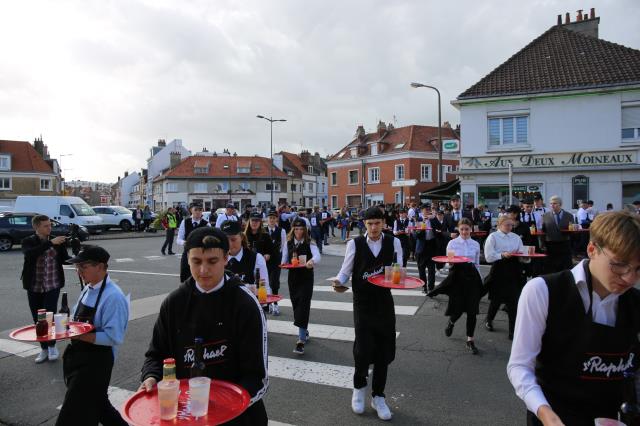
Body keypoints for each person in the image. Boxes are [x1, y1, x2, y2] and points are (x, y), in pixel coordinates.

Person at [507, 211, 640, 425]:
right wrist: (545, 413)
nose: (630, 278)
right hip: (554, 414)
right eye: (619, 265)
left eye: (638, 269)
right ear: (592, 249)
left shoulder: (635, 302)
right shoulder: (543, 291)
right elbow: (520, 366)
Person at [139, 227, 269, 425]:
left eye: (212, 261)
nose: (203, 270)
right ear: (188, 260)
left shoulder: (245, 304)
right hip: (187, 415)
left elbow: (257, 378)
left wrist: (224, 410)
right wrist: (150, 377)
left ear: (226, 259)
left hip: (238, 415)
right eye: (196, 261)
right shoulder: (174, 303)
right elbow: (156, 355)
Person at [332, 206, 403, 421]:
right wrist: (338, 282)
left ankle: (379, 395)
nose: (373, 227)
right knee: (362, 349)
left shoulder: (394, 242)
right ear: (364, 224)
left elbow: (398, 269)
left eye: (377, 223)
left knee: (384, 350)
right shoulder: (355, 243)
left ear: (383, 223)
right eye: (370, 223)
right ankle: (359, 386)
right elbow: (346, 270)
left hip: (384, 301)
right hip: (362, 303)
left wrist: (400, 278)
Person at [56, 245, 129, 426]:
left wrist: (78, 335)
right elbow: (75, 319)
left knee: (71, 414)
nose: (78, 271)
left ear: (100, 266)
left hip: (96, 363)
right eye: (77, 266)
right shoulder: (88, 288)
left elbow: (114, 338)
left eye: (83, 266)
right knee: (101, 407)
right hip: (78, 358)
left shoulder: (113, 296)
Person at [428, 218, 483, 355]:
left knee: (472, 310)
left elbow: (476, 264)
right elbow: (448, 263)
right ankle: (451, 322)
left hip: (471, 278)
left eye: (467, 229)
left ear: (471, 229)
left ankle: (470, 340)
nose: (464, 231)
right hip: (457, 277)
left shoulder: (476, 244)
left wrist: (480, 278)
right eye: (462, 229)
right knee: (457, 309)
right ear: (458, 229)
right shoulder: (452, 243)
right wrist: (450, 264)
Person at [21, 214, 70, 363]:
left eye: (50, 225)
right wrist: (50, 244)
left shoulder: (57, 241)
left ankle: (52, 346)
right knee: (38, 319)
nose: (49, 228)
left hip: (52, 285)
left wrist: (79, 255)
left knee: (50, 316)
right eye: (46, 226)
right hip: (34, 286)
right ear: (36, 227)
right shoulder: (28, 241)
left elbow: (64, 259)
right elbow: (30, 254)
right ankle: (43, 349)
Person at [281, 218, 321, 354]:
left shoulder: (310, 242)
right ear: (293, 229)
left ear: (305, 230)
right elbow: (284, 258)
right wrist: (283, 264)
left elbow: (317, 256)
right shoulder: (288, 242)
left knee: (303, 305)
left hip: (306, 278)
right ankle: (305, 330)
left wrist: (311, 261)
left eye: (301, 229)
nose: (298, 232)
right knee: (296, 305)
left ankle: (301, 340)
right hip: (293, 278)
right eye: (296, 229)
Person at [483, 215, 526, 340]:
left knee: (513, 302)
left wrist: (526, 258)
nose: (510, 227)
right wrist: (501, 255)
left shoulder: (516, 237)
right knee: (496, 300)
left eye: (511, 225)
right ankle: (489, 319)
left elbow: (521, 253)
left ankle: (513, 331)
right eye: (507, 225)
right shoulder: (493, 237)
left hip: (514, 270)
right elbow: (488, 257)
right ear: (499, 225)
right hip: (499, 269)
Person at [220, 220, 271, 294]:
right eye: (225, 239)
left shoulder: (256, 258)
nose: (229, 244)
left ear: (241, 237)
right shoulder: (217, 259)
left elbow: (264, 287)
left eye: (233, 239)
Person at [177, 202, 210, 282]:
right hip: (188, 253)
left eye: (200, 210)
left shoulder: (206, 224)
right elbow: (178, 239)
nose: (198, 212)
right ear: (191, 210)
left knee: (199, 278)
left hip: (201, 255)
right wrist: (185, 243)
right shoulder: (185, 222)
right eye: (196, 210)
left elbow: (210, 240)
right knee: (185, 277)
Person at [541, 195, 574, 273]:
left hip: (564, 245)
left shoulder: (569, 216)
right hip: (550, 245)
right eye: (551, 203)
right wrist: (542, 244)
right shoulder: (545, 216)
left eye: (555, 203)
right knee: (551, 268)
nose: (552, 205)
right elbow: (543, 232)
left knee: (565, 268)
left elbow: (573, 230)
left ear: (560, 204)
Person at [265, 209, 286, 316]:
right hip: (265, 261)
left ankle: (275, 304)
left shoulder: (281, 230)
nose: (272, 220)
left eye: (274, 218)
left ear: (276, 219)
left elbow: (282, 246)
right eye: (270, 218)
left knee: (274, 283)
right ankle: (267, 305)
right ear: (267, 219)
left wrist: (279, 257)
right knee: (264, 282)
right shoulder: (263, 230)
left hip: (276, 260)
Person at [414, 204, 437, 293]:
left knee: (431, 269)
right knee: (421, 268)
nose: (427, 211)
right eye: (425, 210)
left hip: (431, 245)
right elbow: (415, 235)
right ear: (421, 211)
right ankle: (424, 287)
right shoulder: (418, 219)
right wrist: (422, 225)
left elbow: (440, 227)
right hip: (421, 247)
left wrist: (434, 217)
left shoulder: (432, 219)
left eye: (428, 209)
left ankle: (431, 287)